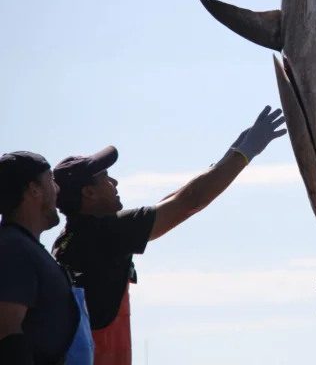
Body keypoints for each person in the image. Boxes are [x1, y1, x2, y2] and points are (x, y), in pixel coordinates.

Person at [50, 105, 286, 365]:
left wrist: (227, 157)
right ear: (89, 193)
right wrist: (246, 152)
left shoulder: (72, 236)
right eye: (105, 177)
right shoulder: (106, 232)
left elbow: (173, 201)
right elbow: (189, 202)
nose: (114, 183)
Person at [0, 151, 82, 364]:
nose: (57, 189)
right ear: (33, 189)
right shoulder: (13, 249)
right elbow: (5, 330)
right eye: (51, 181)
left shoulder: (24, 247)